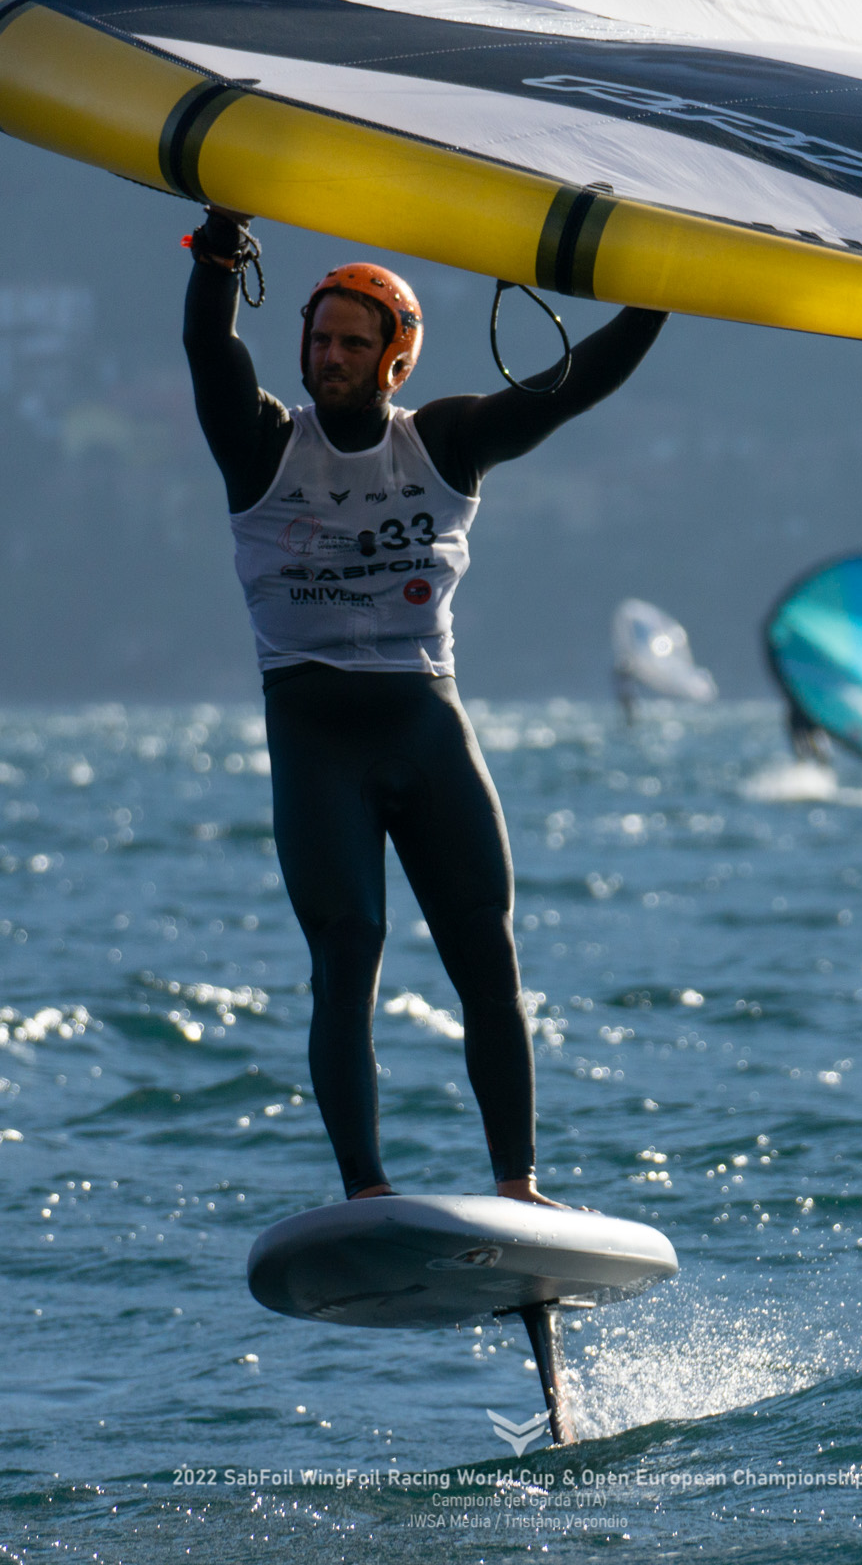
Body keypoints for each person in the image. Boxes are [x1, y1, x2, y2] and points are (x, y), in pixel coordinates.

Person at [182, 207, 665, 1205]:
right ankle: (366, 1190)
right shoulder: (261, 444)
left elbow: (570, 389)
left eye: (353, 344)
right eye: (318, 339)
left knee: (485, 950)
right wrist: (222, 239)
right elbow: (207, 342)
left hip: (423, 721)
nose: (329, 358)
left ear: (394, 359)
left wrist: (664, 289)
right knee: (347, 950)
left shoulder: (444, 443)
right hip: (315, 732)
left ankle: (517, 1182)